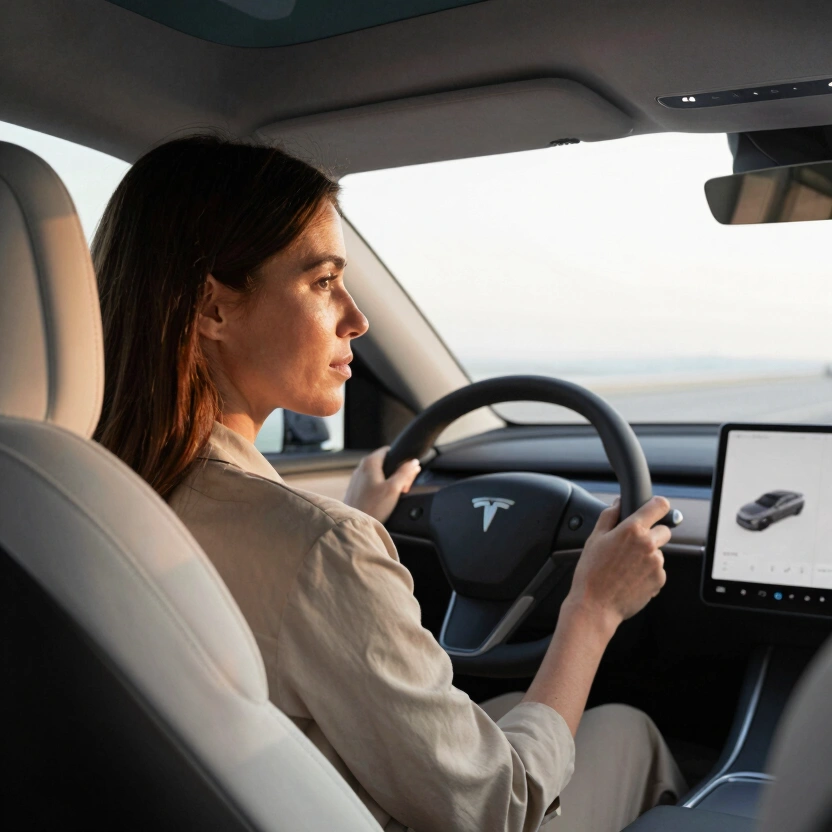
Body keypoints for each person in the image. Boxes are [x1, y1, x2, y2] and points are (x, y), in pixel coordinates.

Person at [93, 134, 685, 832]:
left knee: (506, 715)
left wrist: (350, 526)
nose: (357, 318)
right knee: (628, 730)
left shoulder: (85, 496)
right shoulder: (322, 551)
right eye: (323, 282)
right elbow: (501, 806)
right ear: (213, 309)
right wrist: (592, 609)